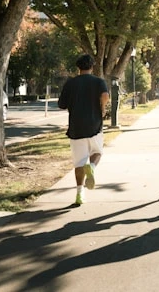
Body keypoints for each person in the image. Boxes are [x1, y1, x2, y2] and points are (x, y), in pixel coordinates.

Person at [58, 54, 110, 206]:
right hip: (94, 125)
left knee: (78, 162)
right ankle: (92, 167)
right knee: (97, 152)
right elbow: (105, 95)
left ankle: (80, 194)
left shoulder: (70, 83)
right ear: (92, 67)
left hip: (76, 127)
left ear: (78, 68)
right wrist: (103, 107)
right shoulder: (99, 81)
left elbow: (62, 104)